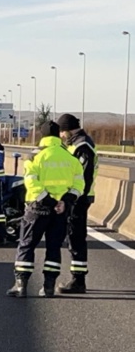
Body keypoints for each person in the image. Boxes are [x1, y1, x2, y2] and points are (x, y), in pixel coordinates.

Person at [6, 121, 86, 298]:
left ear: (42, 136)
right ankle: (49, 287)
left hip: (38, 208)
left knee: (27, 245)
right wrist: (65, 201)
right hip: (60, 210)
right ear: (59, 135)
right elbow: (79, 183)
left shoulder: (35, 157)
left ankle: (20, 286)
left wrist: (48, 201)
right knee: (54, 247)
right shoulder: (70, 158)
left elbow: (31, 183)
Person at [56, 113, 98, 294]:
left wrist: (73, 198)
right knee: (72, 236)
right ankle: (77, 278)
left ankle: (78, 281)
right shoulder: (75, 144)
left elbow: (84, 177)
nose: (61, 136)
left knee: (76, 236)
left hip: (79, 198)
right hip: (76, 197)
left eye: (62, 132)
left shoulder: (82, 146)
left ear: (67, 130)